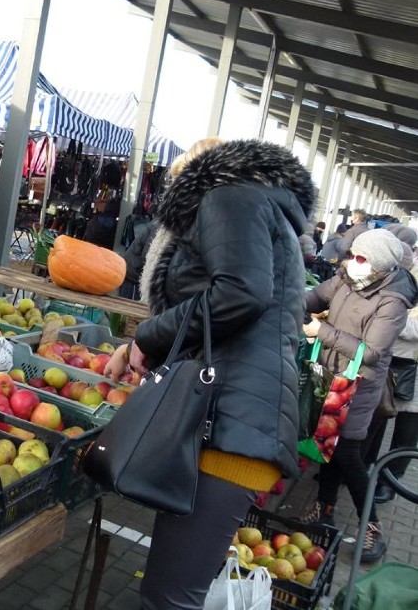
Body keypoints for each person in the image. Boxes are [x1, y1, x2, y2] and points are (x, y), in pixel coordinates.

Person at [105, 137, 315, 610]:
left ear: (195, 173)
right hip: (229, 415)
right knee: (173, 589)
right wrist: (145, 345)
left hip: (230, 425)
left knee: (169, 596)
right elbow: (226, 308)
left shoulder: (228, 195)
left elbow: (239, 294)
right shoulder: (260, 204)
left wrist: (147, 337)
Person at [301, 228, 418, 563]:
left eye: (362, 258)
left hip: (360, 386)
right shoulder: (346, 278)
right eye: (352, 255)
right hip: (329, 375)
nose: (353, 262)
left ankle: (372, 526)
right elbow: (315, 298)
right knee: (328, 448)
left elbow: (372, 352)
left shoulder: (393, 300)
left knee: (349, 454)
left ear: (380, 264)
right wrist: (291, 305)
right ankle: (322, 510)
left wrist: (321, 331)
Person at [365, 225, 418, 503]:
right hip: (391, 360)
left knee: (407, 430)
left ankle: (390, 482)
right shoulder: (403, 272)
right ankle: (365, 469)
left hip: (413, 368)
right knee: (380, 415)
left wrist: (390, 322)